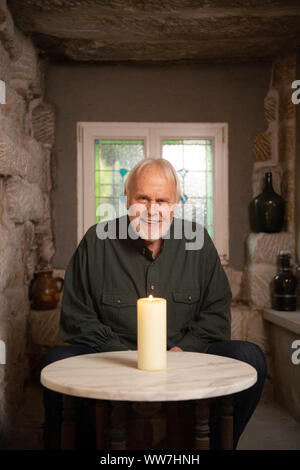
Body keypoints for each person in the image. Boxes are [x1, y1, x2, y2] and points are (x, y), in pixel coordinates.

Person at [41, 157, 267, 450]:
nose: (151, 209)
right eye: (142, 198)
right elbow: (76, 318)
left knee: (249, 356)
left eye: (162, 200)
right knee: (56, 362)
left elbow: (215, 314)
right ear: (126, 200)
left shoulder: (198, 242)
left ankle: (212, 442)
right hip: (111, 357)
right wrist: (122, 354)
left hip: (185, 356)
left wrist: (182, 351)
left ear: (175, 204)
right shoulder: (96, 242)